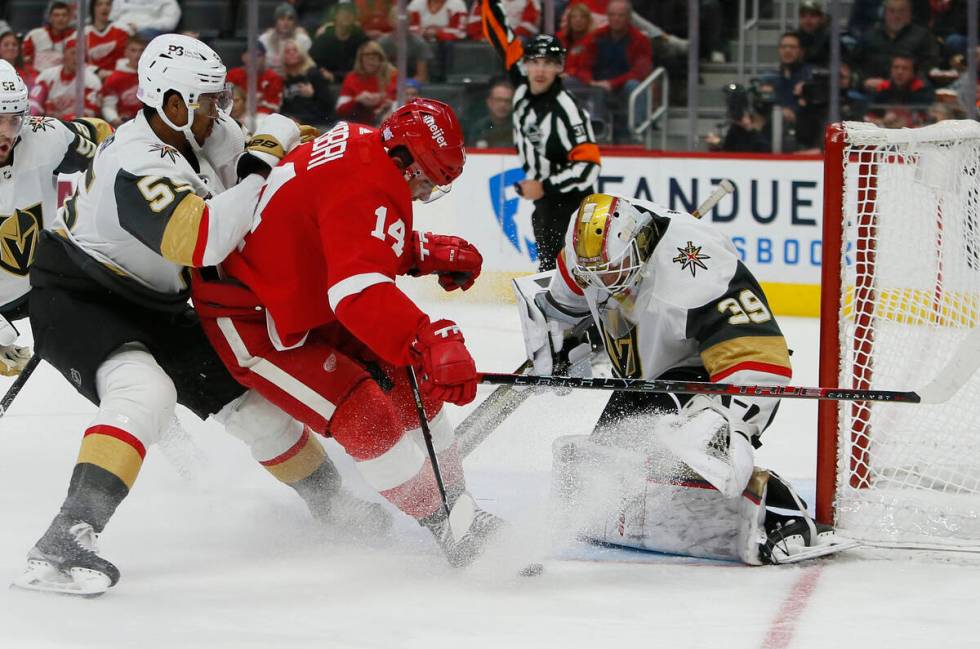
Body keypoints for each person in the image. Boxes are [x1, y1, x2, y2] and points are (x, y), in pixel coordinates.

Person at [15, 34, 386, 597]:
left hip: (157, 301)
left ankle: (332, 504)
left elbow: (258, 193)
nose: (222, 110)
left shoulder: (214, 132)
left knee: (257, 408)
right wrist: (263, 165)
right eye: (208, 99)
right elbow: (203, 238)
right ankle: (66, 536)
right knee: (144, 394)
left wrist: (310, 157)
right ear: (169, 101)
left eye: (220, 97)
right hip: (77, 293)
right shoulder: (132, 159)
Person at [190, 98, 523, 570]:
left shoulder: (365, 143)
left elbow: (338, 229)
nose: (425, 195)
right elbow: (356, 291)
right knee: (365, 415)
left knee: (414, 387)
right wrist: (428, 336)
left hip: (302, 293)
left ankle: (460, 507)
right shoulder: (369, 183)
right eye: (426, 181)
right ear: (405, 162)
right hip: (253, 315)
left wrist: (417, 251)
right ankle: (447, 524)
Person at [515, 193, 850, 565]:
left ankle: (783, 512)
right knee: (603, 472)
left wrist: (729, 423)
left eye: (612, 271)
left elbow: (756, 352)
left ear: (640, 243)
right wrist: (560, 343)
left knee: (687, 443)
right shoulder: (585, 257)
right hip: (646, 377)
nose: (603, 282)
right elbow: (563, 306)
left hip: (703, 373)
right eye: (593, 274)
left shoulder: (699, 267)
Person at [0, 60, 108, 377]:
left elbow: (110, 144)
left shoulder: (46, 137)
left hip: (41, 286)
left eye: (14, 120)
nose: (6, 133)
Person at [483, 0, 601, 272]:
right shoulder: (523, 85)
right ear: (526, 65)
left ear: (560, 68)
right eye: (535, 62)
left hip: (572, 204)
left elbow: (589, 166)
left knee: (568, 275)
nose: (540, 70)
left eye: (549, 63)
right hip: (546, 203)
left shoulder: (567, 110)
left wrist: (545, 186)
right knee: (549, 271)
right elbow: (500, 34)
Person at [578, 0, 653, 142]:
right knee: (570, 82)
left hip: (623, 85)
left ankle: (636, 133)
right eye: (612, 15)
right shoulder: (596, 36)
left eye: (620, 15)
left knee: (634, 86)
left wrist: (611, 83)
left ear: (629, 17)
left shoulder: (640, 39)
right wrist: (590, 80)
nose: (616, 19)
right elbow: (582, 64)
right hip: (598, 83)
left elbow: (639, 72)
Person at [851, 0, 940, 95]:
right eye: (892, 11)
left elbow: (931, 63)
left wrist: (907, 81)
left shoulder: (923, 36)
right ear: (884, 14)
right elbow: (854, 64)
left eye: (901, 11)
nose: (896, 16)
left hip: (910, 93)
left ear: (910, 13)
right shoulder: (869, 36)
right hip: (872, 91)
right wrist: (864, 81)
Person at [28, 37, 102, 120]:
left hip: (76, 127)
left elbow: (89, 113)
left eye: (80, 54)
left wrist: (63, 121)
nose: (77, 57)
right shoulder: (46, 75)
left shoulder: (92, 81)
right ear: (64, 54)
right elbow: (34, 103)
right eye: (73, 53)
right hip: (47, 124)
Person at [335, 40, 397, 126]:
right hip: (358, 124)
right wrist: (357, 100)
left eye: (375, 57)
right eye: (367, 57)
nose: (371, 61)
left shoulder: (393, 75)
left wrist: (389, 105)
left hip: (387, 123)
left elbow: (404, 102)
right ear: (360, 59)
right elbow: (340, 110)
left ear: (381, 59)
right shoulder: (352, 77)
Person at [309, 2, 369, 85]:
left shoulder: (361, 38)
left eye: (350, 13)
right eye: (343, 12)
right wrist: (322, 73)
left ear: (355, 17)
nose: (347, 15)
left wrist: (335, 76)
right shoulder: (324, 38)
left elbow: (365, 66)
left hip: (355, 82)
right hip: (327, 82)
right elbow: (311, 61)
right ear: (335, 15)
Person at [760, 32, 812, 126]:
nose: (787, 50)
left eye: (792, 47)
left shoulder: (810, 76)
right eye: (784, 47)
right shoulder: (769, 77)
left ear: (801, 51)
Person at [281, 39, 334, 127]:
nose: (291, 53)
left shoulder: (313, 74)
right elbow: (284, 107)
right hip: (291, 122)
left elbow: (328, 106)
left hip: (316, 122)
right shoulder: (285, 79)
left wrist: (312, 95)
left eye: (295, 50)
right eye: (287, 51)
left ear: (301, 54)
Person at [226, 41, 284, 115]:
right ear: (243, 57)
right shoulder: (232, 75)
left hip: (263, 119)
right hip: (236, 118)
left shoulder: (273, 78)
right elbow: (226, 105)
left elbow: (274, 108)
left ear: (264, 58)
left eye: (259, 55)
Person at [377, 6, 433, 83]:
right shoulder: (382, 43)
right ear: (390, 21)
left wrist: (409, 85)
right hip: (388, 83)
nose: (402, 22)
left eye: (405, 18)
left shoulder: (419, 44)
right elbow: (378, 72)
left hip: (413, 84)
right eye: (397, 18)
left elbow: (422, 76)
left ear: (410, 20)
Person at [100, 33, 146, 127]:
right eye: (133, 50)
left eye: (141, 50)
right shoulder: (114, 78)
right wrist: (115, 119)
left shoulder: (153, 75)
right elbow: (108, 106)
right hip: (124, 125)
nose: (137, 55)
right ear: (126, 52)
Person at [259, 3, 313, 77]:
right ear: (276, 22)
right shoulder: (264, 39)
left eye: (290, 19)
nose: (286, 23)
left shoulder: (303, 40)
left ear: (294, 22)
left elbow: (308, 67)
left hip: (295, 80)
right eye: (281, 19)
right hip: (268, 80)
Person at [22, 0, 75, 72]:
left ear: (69, 18)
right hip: (36, 79)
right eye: (56, 15)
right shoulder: (34, 35)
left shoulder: (76, 36)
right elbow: (24, 62)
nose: (60, 19)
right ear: (50, 18)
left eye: (64, 15)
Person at [84, 0, 131, 81]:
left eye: (108, 4)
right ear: (93, 8)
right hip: (94, 78)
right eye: (99, 4)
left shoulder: (123, 28)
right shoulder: (84, 33)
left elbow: (131, 56)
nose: (104, 7)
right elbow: (77, 62)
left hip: (119, 77)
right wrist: (96, 71)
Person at [466, 79, 515, 148]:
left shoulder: (518, 128)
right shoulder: (479, 129)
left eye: (507, 101)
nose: (503, 104)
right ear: (489, 102)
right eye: (498, 100)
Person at [557, 2, 594, 83]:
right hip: (562, 74)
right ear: (569, 20)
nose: (578, 20)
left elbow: (586, 69)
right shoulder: (561, 38)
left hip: (582, 80)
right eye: (574, 17)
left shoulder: (592, 41)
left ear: (588, 20)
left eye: (582, 17)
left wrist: (570, 73)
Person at [108, 0, 181, 36]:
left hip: (147, 31)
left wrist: (140, 27)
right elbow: (113, 16)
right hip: (121, 27)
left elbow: (170, 23)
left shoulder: (168, 1)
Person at [797, 0, 830, 66]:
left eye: (813, 15)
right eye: (803, 16)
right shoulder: (794, 38)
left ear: (821, 18)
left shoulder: (830, 38)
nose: (807, 20)